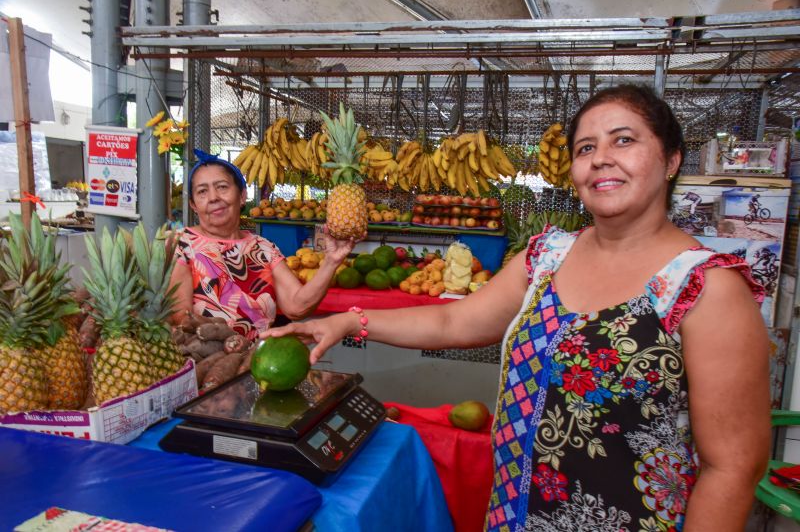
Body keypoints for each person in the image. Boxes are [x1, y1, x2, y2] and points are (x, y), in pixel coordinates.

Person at [263, 85, 770, 531]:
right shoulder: (546, 257)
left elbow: (733, 468)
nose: (600, 158)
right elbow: (454, 319)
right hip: (515, 514)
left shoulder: (705, 286)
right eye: (585, 147)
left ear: (672, 158)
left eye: (624, 140)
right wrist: (349, 321)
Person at [169, 149, 356, 340]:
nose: (213, 197)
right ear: (193, 205)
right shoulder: (181, 245)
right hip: (206, 361)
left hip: (260, 360)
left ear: (242, 196)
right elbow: (181, 319)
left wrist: (332, 261)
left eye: (222, 187)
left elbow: (297, 307)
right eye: (202, 191)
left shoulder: (264, 248)